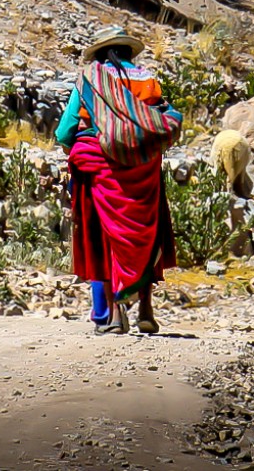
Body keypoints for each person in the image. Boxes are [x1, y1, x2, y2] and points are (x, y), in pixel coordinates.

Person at [55, 26, 181, 335]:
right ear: (128, 53)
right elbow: (156, 120)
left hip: (97, 164)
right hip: (143, 166)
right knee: (147, 231)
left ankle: (113, 314)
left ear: (99, 54)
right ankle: (147, 310)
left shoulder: (90, 81)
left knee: (104, 233)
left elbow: (64, 131)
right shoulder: (148, 79)